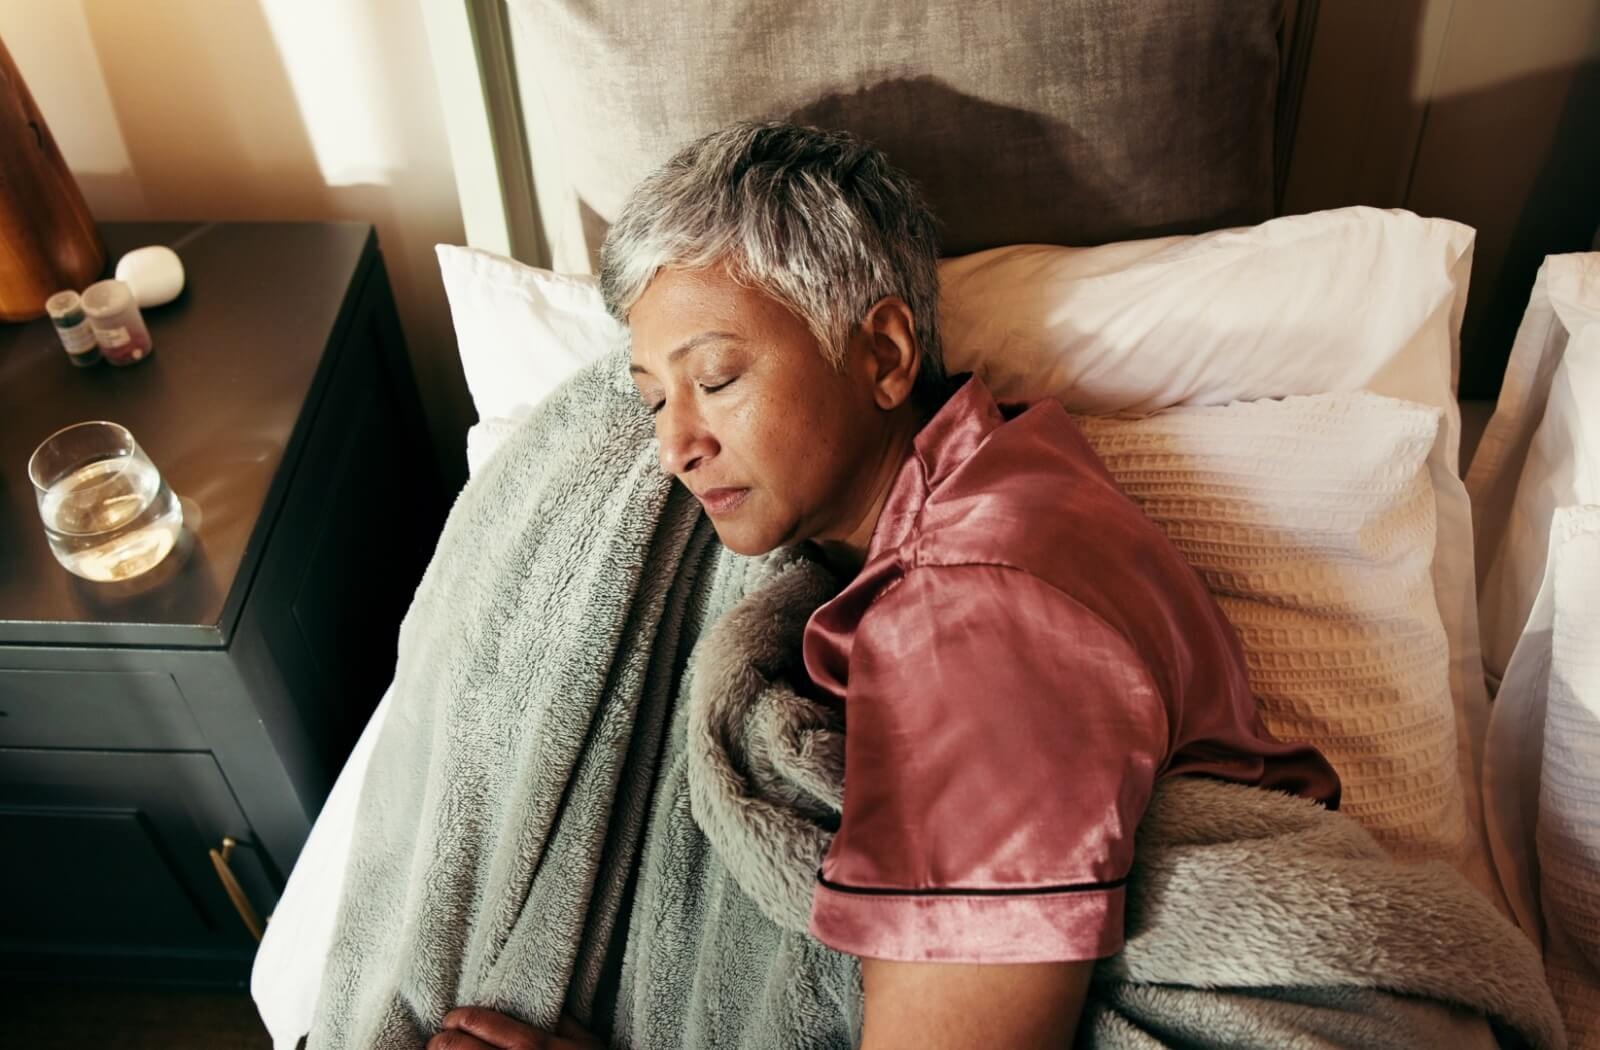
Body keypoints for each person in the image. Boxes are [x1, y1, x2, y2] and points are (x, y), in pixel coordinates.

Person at [426, 121, 1341, 1050]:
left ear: (887, 357)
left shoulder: (976, 615)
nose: (675, 448)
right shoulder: (1007, 467)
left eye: (717, 377)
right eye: (654, 398)